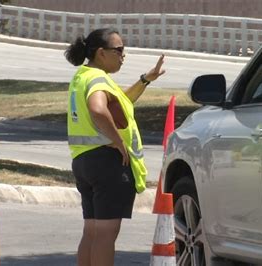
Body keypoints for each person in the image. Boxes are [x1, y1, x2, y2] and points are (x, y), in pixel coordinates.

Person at [64, 28, 165, 266]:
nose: (123, 55)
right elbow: (98, 109)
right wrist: (118, 143)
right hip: (107, 163)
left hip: (84, 162)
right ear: (101, 53)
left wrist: (145, 80)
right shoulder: (98, 80)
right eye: (119, 50)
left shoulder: (84, 76)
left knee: (92, 232)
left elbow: (121, 102)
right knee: (106, 235)